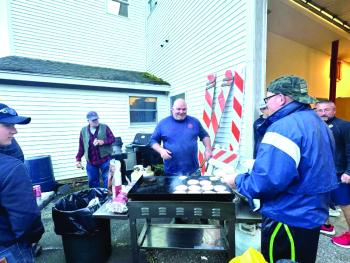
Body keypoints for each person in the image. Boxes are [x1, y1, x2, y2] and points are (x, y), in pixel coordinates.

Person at [224, 76, 337, 263]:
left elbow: (266, 181)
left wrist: (236, 180)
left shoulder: (284, 127)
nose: (266, 104)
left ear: (281, 98)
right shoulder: (318, 123)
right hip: (312, 213)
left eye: (268, 99)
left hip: (289, 216)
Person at [0, 103, 44, 262]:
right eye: (7, 125)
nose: (15, 130)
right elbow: (27, 217)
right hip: (10, 247)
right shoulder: (12, 168)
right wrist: (33, 237)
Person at [315, 100, 350, 247]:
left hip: (340, 173)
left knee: (346, 205)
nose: (323, 113)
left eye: (326, 110)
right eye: (320, 110)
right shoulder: (315, 126)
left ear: (334, 110)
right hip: (321, 173)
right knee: (322, 200)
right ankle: (326, 226)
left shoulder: (344, 126)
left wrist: (348, 171)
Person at [150, 98, 212, 176]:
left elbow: (205, 136)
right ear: (172, 109)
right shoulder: (163, 123)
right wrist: (161, 150)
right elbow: (152, 140)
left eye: (184, 109)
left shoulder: (194, 122)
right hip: (171, 171)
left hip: (193, 171)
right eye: (178, 109)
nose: (181, 112)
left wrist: (208, 149)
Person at [76, 111, 115, 188]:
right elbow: (81, 146)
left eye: (97, 119)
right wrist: (78, 159)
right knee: (93, 181)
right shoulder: (83, 131)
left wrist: (103, 142)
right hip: (91, 162)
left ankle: (108, 196)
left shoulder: (105, 127)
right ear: (88, 121)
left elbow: (112, 139)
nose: (96, 121)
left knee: (107, 180)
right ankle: (95, 197)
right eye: (93, 120)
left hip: (105, 159)